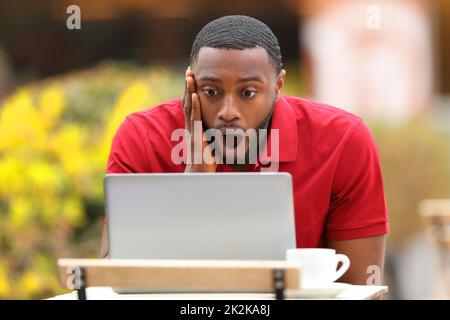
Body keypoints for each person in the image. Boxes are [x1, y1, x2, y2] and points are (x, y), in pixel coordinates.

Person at [101, 15, 389, 285]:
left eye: (247, 93)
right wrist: (192, 184)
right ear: (191, 85)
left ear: (278, 86)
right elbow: (112, 278)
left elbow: (362, 288)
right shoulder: (141, 137)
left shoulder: (343, 140)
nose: (228, 112)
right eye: (211, 91)